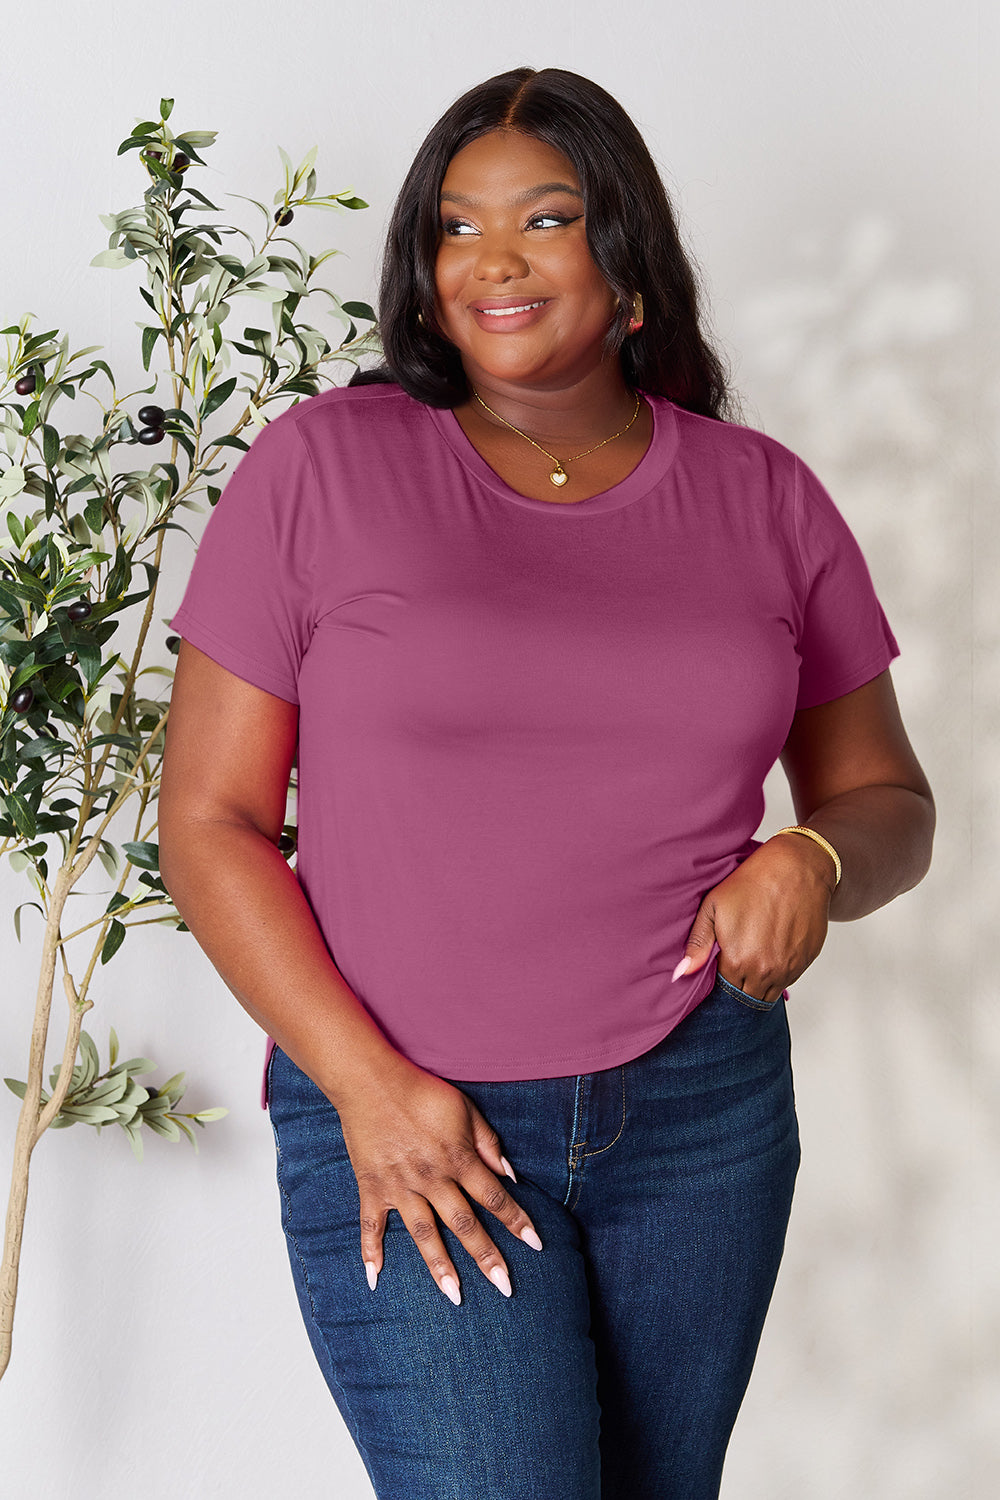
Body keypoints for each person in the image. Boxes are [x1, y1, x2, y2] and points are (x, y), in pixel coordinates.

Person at [159, 66, 935, 1500]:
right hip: (405, 1108)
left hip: (698, 1112)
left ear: (628, 260)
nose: (494, 260)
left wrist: (810, 863)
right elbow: (206, 824)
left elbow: (888, 798)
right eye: (457, 228)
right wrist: (367, 1090)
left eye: (547, 217)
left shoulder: (764, 498)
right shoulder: (323, 468)